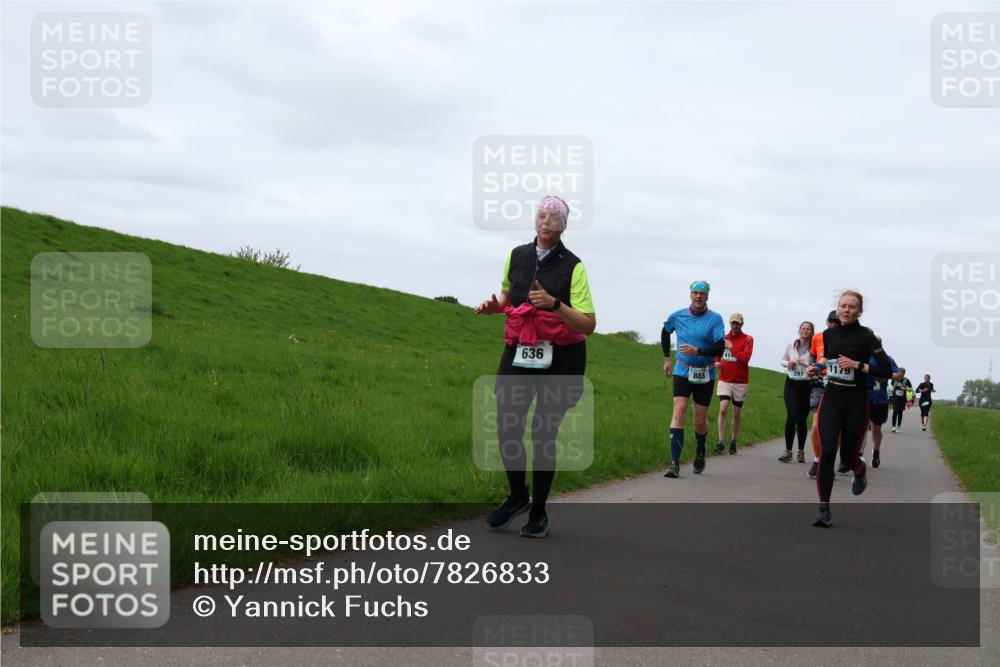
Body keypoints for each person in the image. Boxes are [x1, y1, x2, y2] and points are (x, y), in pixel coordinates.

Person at [475, 196, 596, 538]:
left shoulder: (574, 266)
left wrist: (555, 304)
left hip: (563, 357)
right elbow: (507, 296)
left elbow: (587, 324)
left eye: (553, 217)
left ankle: (539, 513)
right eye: (541, 214)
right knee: (506, 424)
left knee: (543, 433)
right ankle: (517, 496)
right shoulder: (517, 256)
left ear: (563, 225)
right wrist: (494, 306)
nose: (545, 221)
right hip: (521, 349)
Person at [807, 290, 893, 528]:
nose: (846, 310)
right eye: (843, 305)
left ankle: (858, 467)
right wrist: (816, 367)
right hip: (832, 397)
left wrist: (858, 365)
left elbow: (886, 370)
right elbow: (828, 360)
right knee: (827, 452)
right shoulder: (828, 334)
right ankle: (824, 507)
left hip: (856, 401)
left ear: (859, 311)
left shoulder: (867, 337)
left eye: (852, 307)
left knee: (846, 457)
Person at [661, 281, 726, 478]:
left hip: (705, 372)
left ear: (707, 297)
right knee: (679, 412)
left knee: (699, 420)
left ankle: (700, 447)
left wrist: (699, 351)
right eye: (695, 293)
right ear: (690, 295)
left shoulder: (715, 319)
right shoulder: (678, 315)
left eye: (702, 294)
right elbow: (665, 331)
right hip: (682, 370)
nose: (698, 297)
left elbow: (720, 347)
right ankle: (674, 463)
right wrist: (666, 359)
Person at [715, 313, 754, 455]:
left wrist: (731, 347)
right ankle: (720, 441)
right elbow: (717, 353)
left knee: (736, 413)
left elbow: (745, 358)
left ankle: (733, 440)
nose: (735, 325)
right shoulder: (723, 338)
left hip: (740, 381)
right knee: (723, 408)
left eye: (737, 323)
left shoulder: (748, 339)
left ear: (742, 324)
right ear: (730, 323)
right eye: (733, 323)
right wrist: (716, 362)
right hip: (725, 379)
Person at [807, 311, 840, 479]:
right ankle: (817, 460)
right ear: (827, 321)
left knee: (835, 428)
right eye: (831, 321)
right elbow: (813, 356)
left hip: (838, 384)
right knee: (816, 426)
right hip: (820, 383)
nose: (834, 324)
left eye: (837, 321)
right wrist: (813, 368)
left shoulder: (846, 338)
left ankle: (830, 462)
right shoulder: (817, 337)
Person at [860, 337, 901, 469]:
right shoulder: (863, 357)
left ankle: (876, 451)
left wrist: (885, 375)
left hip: (880, 399)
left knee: (876, 429)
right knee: (863, 428)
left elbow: (897, 374)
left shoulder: (887, 359)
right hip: (864, 397)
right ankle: (860, 455)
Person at [779, 321, 815, 463]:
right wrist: (789, 363)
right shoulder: (791, 345)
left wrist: (805, 363)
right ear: (799, 330)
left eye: (808, 329)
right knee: (792, 415)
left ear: (812, 332)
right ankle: (788, 451)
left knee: (802, 419)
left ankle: (801, 451)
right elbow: (782, 360)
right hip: (791, 383)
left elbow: (817, 365)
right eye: (803, 328)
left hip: (806, 385)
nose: (805, 331)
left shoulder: (814, 348)